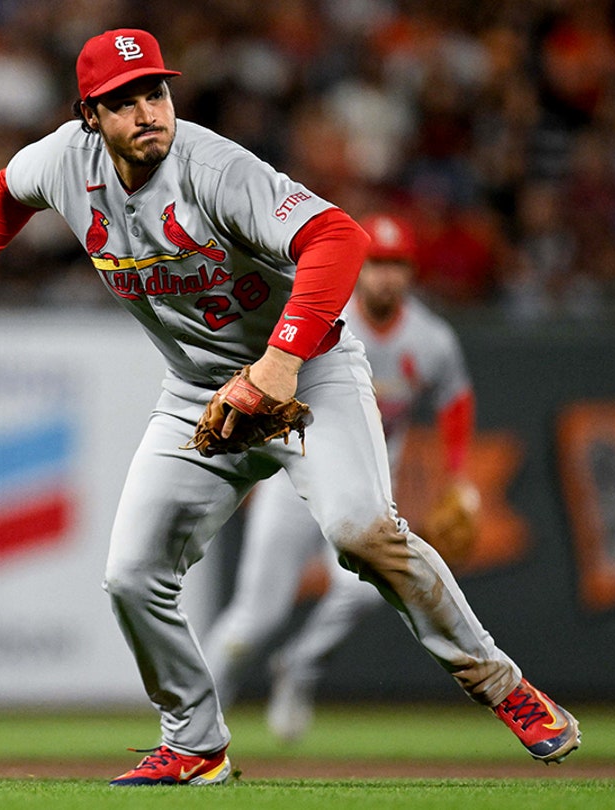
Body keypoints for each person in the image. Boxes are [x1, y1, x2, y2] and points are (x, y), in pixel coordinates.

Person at [0, 29, 580, 787]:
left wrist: (279, 364)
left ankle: (505, 688)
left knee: (362, 533)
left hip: (309, 373)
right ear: (89, 116)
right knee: (132, 574)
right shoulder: (61, 162)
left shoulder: (213, 168)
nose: (148, 112)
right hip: (197, 392)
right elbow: (4, 195)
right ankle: (194, 742)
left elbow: (337, 239)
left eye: (156, 92)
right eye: (124, 101)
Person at [201, 213, 483, 743]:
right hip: (293, 475)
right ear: (358, 265)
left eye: (397, 264)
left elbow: (456, 400)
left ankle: (300, 665)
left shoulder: (431, 339)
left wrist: (457, 477)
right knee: (256, 618)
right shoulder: (325, 316)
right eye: (377, 263)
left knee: (364, 590)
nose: (386, 276)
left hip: (363, 484)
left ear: (411, 272)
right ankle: (194, 719)